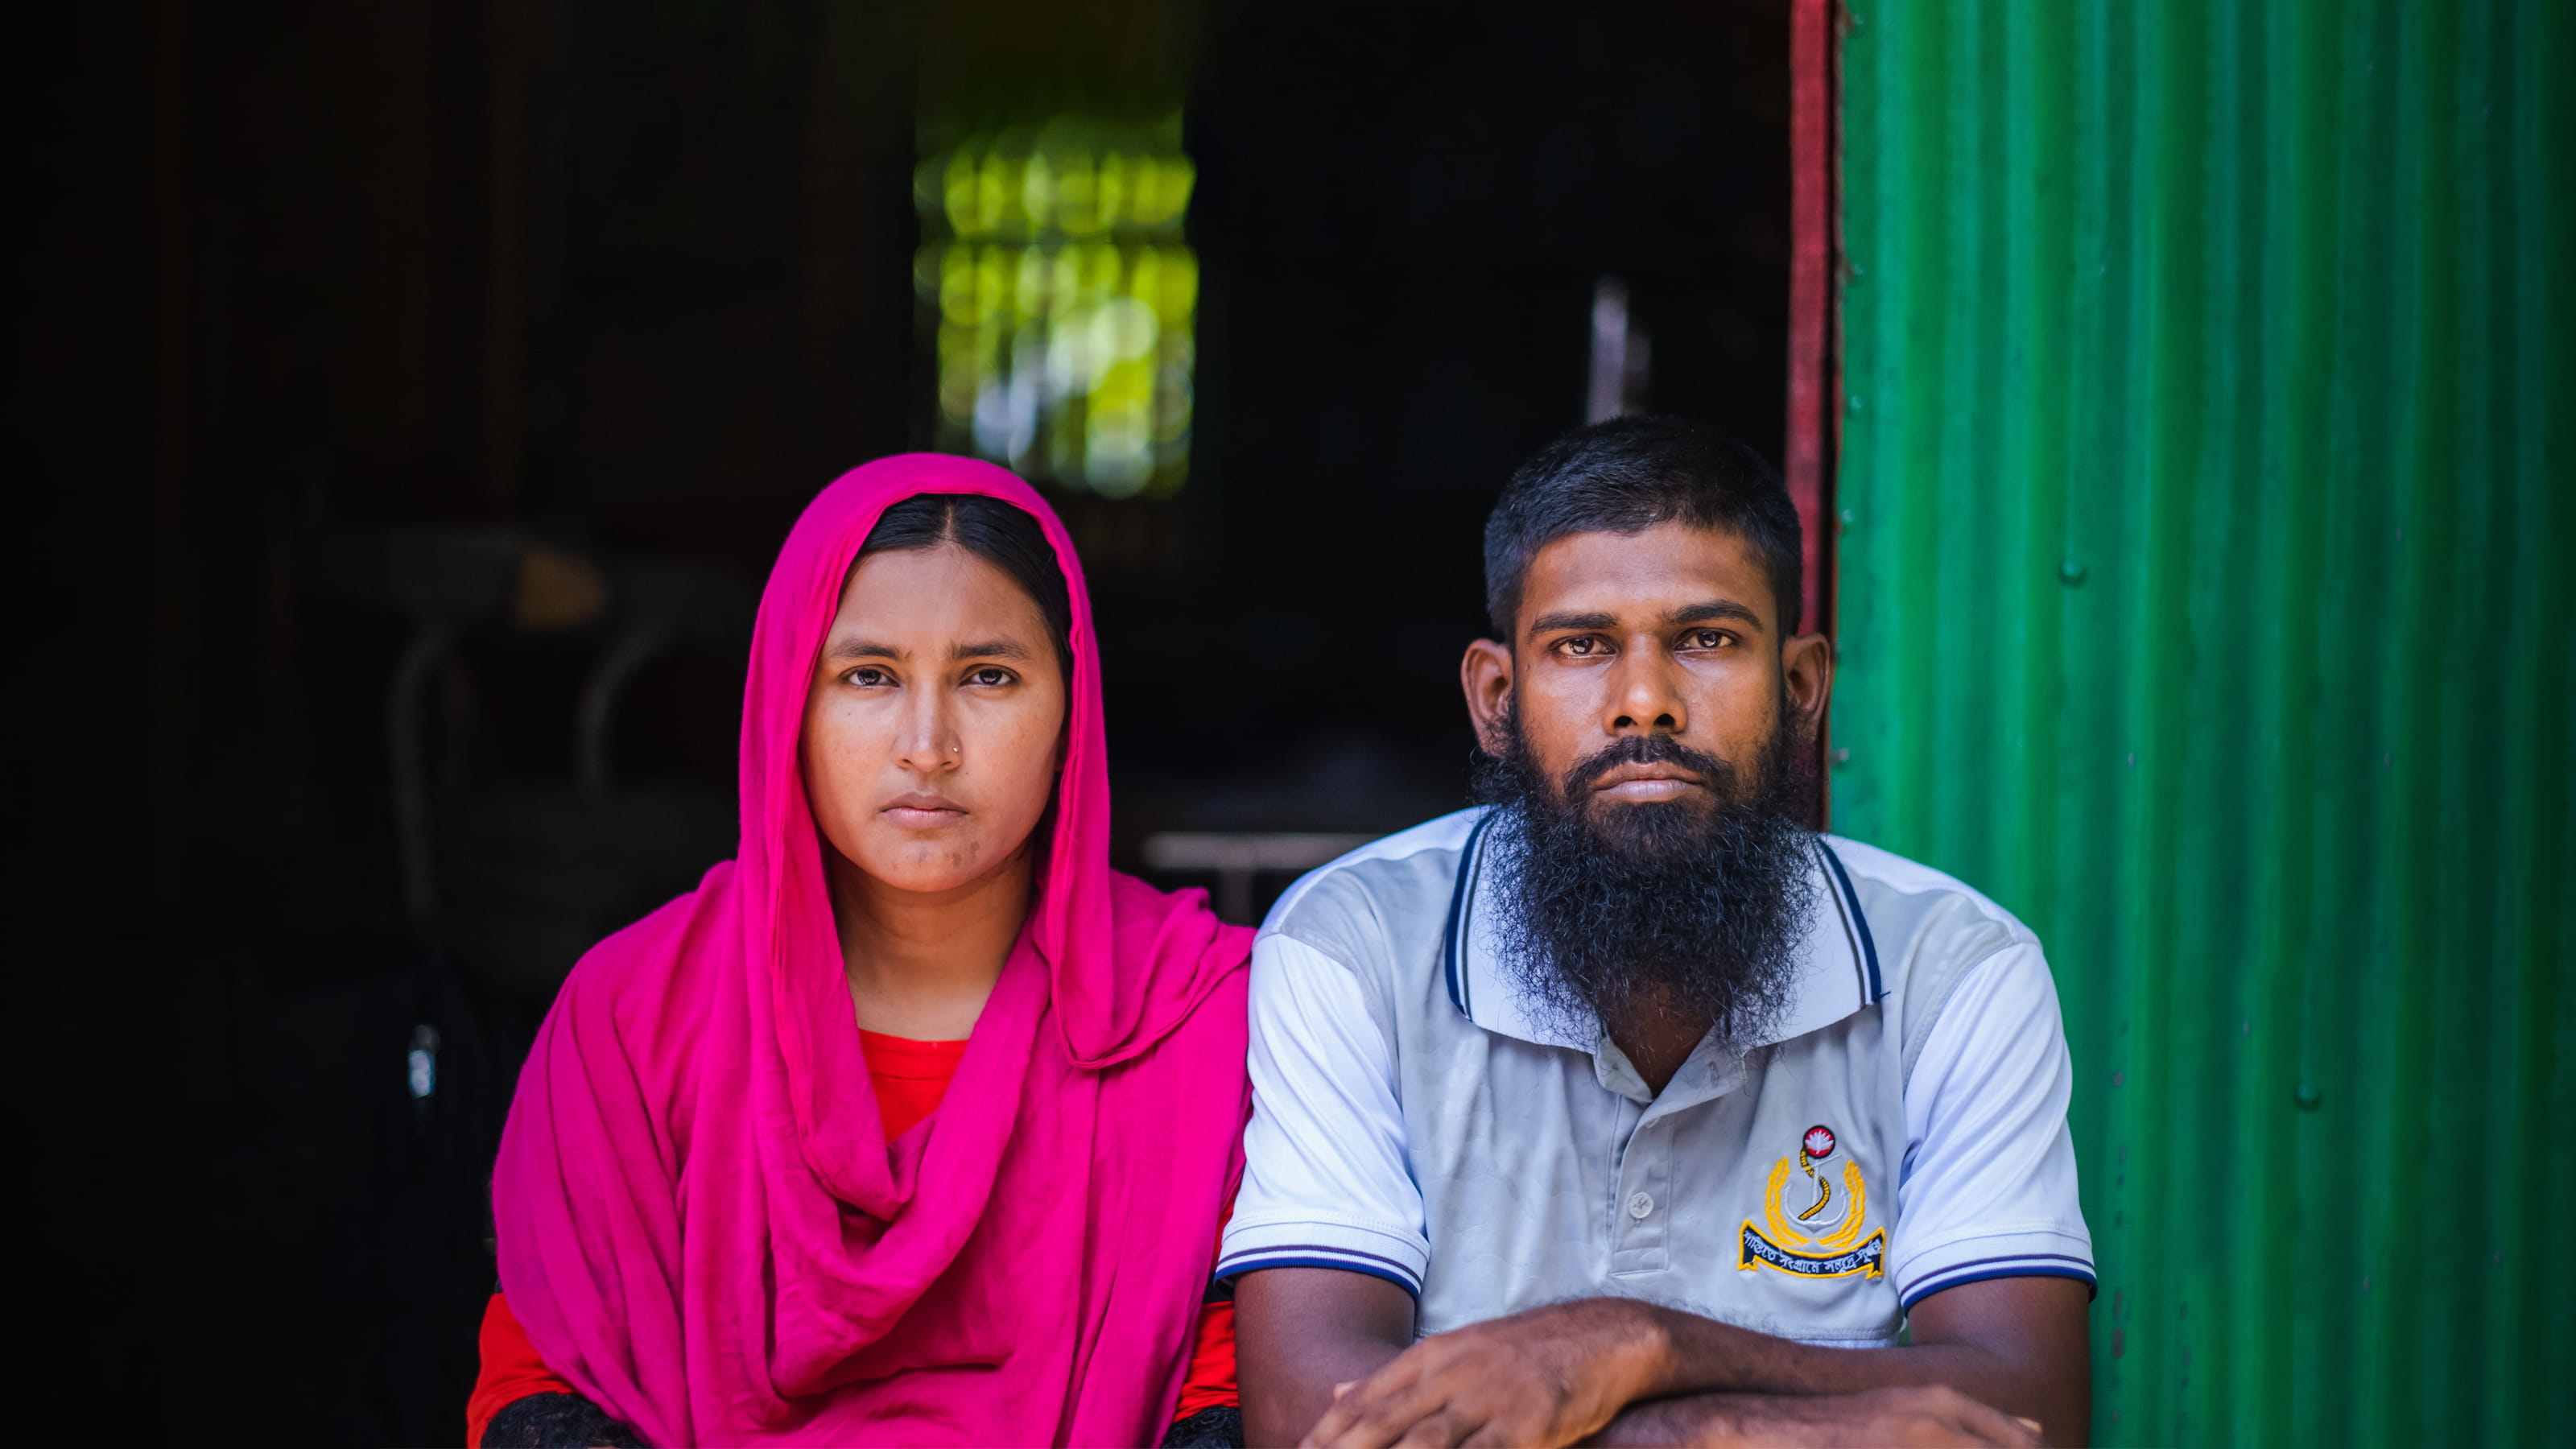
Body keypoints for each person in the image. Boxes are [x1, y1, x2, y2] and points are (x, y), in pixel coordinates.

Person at [1227, 418, 2095, 1447]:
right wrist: (1747, 1433)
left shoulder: (1955, 969)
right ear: (1497, 699)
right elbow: (1305, 1416)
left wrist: (1641, 1343)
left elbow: (2026, 1411)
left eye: (1707, 640)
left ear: (1800, 687)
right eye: (1582, 646)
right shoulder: (1354, 944)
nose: (1645, 703)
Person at [468, 456, 1252, 1447]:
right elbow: (540, 1376)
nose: (927, 744)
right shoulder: (633, 1013)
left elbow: (1241, 1393)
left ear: (1072, 711)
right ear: (785, 706)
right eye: (868, 675)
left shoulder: (1204, 1015)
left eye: (989, 677)